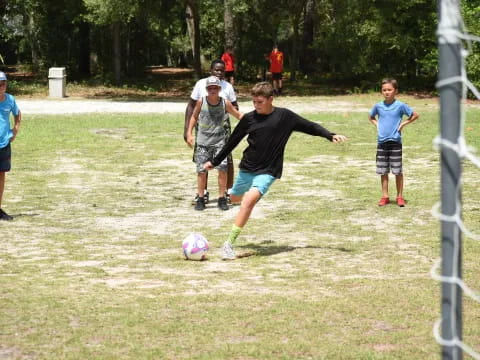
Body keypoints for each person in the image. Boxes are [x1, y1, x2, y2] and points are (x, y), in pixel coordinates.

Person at [203, 82, 348, 259]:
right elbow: (232, 141)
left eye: (260, 102)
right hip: (248, 168)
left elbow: (310, 126)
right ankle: (232, 195)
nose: (256, 106)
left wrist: (329, 135)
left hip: (269, 170)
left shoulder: (285, 117)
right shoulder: (249, 118)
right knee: (235, 198)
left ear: (271, 99)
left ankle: (228, 244)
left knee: (248, 202)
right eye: (254, 102)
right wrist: (215, 161)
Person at [184, 59, 238, 205]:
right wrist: (187, 130)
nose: (219, 73)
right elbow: (191, 107)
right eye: (216, 70)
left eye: (222, 70)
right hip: (204, 128)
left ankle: (227, 192)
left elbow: (235, 108)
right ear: (211, 71)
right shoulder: (201, 84)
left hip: (222, 130)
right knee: (203, 160)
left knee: (226, 161)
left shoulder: (227, 87)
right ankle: (203, 193)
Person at [368, 78, 419, 207]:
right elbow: (371, 117)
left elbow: (414, 115)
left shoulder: (400, 105)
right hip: (382, 142)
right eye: (384, 90)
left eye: (389, 90)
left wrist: (403, 123)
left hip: (395, 142)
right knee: (383, 170)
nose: (387, 92)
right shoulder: (378, 106)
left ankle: (400, 197)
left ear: (395, 91)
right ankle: (385, 196)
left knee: (397, 170)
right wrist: (377, 125)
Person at [0, 71, 21, 221]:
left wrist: (15, 130)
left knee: (1, 176)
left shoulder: (10, 100)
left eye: (3, 83)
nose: (1, 86)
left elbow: (17, 114)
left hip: (4, 144)